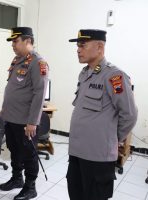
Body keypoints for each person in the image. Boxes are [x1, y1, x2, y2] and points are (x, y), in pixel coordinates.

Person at [67, 29, 138, 200]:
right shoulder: (85, 74)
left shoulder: (114, 76)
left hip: (98, 157)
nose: (78, 49)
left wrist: (111, 139)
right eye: (77, 45)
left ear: (99, 47)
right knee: (76, 194)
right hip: (77, 152)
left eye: (82, 45)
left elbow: (129, 114)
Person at [0, 27, 49, 200]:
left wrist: (32, 122)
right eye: (12, 41)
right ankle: (16, 178)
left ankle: (30, 187)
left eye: (15, 41)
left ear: (27, 41)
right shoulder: (17, 60)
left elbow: (39, 94)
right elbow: (13, 88)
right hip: (11, 118)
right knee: (14, 150)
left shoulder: (38, 63)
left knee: (28, 154)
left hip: (25, 121)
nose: (12, 45)